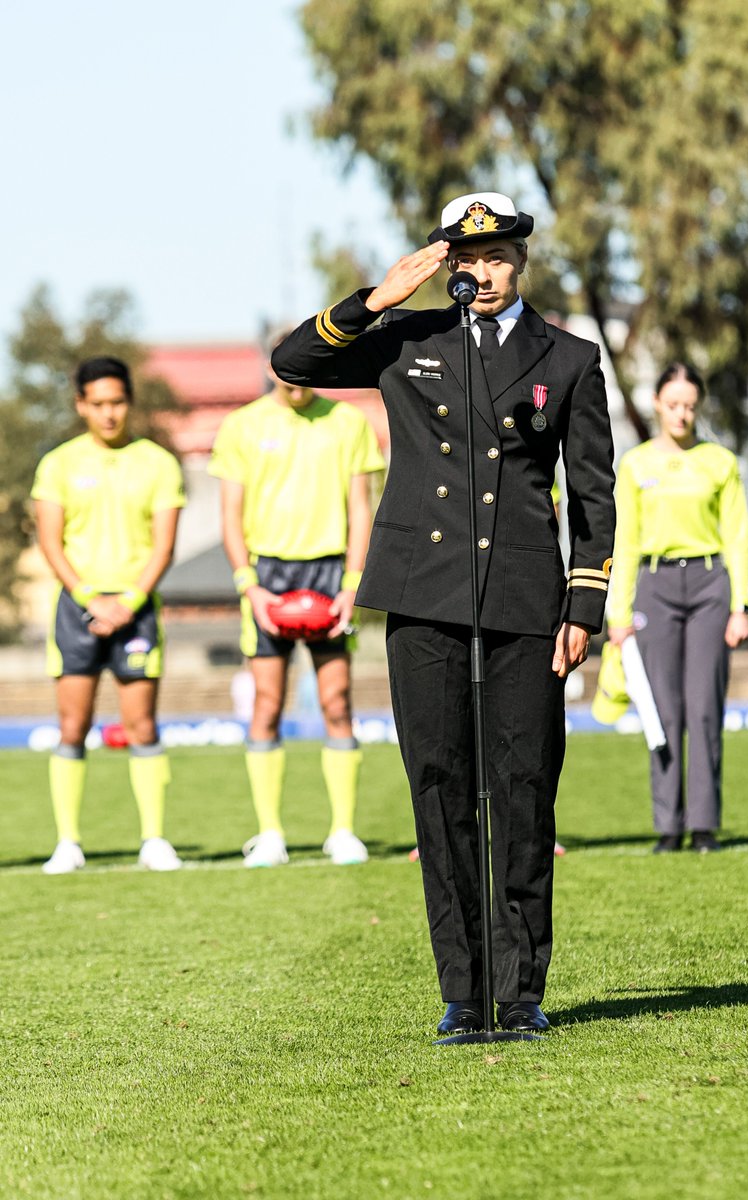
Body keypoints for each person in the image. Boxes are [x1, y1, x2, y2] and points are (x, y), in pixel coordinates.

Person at [271, 191, 616, 1036]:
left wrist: (585, 602)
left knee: (525, 790)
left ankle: (522, 992)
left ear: (521, 264)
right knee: (440, 789)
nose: (483, 273)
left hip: (527, 602)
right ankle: (464, 993)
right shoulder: (408, 341)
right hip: (424, 593)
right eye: (467, 261)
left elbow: (594, 494)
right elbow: (295, 365)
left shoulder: (567, 358)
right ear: (449, 268)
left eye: (498, 259)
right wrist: (377, 301)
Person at [209, 361, 385, 867]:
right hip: (268, 575)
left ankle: (344, 832)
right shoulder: (242, 425)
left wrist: (353, 584)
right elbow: (229, 515)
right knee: (266, 703)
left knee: (337, 701)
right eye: (286, 372)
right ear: (271, 369)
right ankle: (270, 835)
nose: (296, 381)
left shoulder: (349, 423)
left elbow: (360, 511)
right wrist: (250, 587)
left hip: (331, 573)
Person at [31, 356, 185, 874]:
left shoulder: (158, 463)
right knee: (72, 725)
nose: (109, 413)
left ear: (129, 403)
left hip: (136, 611)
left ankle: (155, 840)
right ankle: (68, 843)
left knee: (142, 725)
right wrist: (90, 599)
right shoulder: (57, 464)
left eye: (117, 402)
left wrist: (128, 604)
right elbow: (51, 543)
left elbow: (163, 547)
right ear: (80, 406)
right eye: (97, 404)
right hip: (77, 609)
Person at [607, 363, 748, 854]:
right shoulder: (635, 465)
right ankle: (669, 826)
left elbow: (737, 537)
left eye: (690, 404)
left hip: (711, 586)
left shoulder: (720, 462)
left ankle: (705, 826)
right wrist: (617, 614)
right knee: (662, 709)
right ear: (656, 404)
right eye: (673, 404)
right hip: (654, 587)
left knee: (704, 709)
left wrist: (740, 606)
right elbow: (624, 539)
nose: (682, 413)